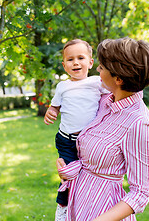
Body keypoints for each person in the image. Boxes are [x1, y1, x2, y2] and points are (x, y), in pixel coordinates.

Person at [56, 37, 149, 221]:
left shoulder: (139, 123)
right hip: (77, 202)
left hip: (103, 211)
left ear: (118, 79)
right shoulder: (102, 102)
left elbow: (141, 193)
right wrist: (69, 165)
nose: (97, 70)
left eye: (102, 67)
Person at [44, 39, 109, 221]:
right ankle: (63, 206)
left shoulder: (97, 82)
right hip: (66, 139)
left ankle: (86, 205)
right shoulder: (62, 86)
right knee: (69, 173)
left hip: (89, 140)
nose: (75, 63)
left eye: (80, 58)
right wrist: (51, 112)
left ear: (90, 62)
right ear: (64, 65)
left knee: (87, 175)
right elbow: (54, 106)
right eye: (70, 59)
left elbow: (112, 94)